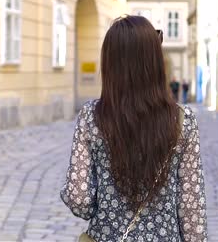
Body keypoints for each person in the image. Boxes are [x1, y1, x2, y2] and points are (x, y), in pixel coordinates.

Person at [60, 15, 207, 242]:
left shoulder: (91, 117)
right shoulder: (183, 120)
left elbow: (79, 199)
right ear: (154, 62)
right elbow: (191, 210)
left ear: (110, 63)